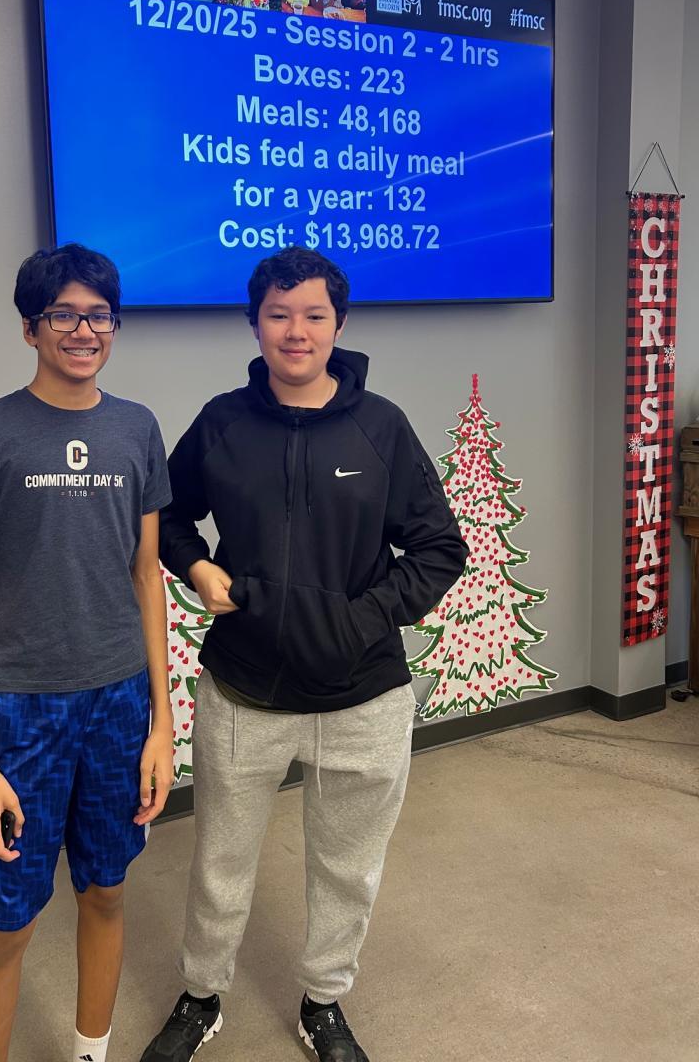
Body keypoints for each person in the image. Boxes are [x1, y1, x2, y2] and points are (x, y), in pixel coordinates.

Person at [141, 247, 467, 1062]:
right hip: (244, 690)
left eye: (314, 315)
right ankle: (201, 994)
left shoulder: (380, 426)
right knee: (219, 862)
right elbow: (166, 516)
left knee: (348, 868)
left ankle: (324, 1002)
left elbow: (439, 548)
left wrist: (362, 620)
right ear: (254, 324)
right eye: (279, 314)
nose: (297, 331)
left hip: (364, 696)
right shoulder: (222, 422)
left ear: (339, 324)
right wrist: (197, 566)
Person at [0, 244, 174, 1062]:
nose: (83, 330)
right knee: (8, 926)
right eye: (63, 314)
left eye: (99, 315)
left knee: (105, 892)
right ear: (30, 329)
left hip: (119, 701)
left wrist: (162, 725)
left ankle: (89, 1053)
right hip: (20, 711)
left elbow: (147, 576)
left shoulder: (138, 428)